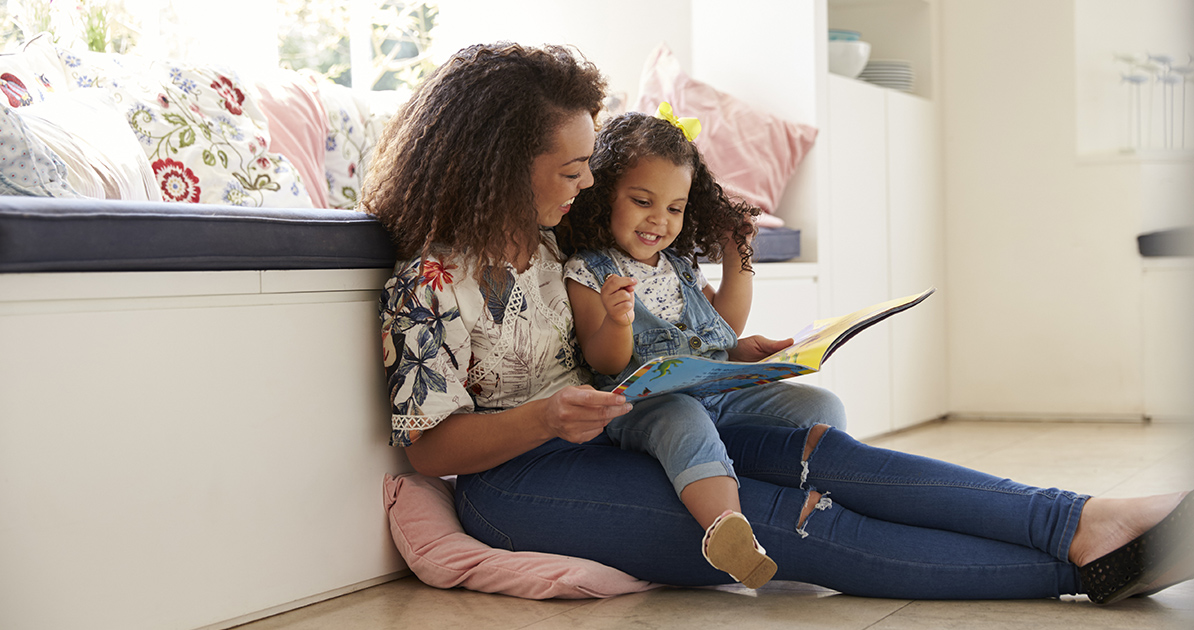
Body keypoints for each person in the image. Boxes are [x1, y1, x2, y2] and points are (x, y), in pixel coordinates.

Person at [361, 41, 1193, 605]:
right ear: (501, 167)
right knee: (794, 522)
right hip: (524, 484)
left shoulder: (556, 246)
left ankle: (1082, 520)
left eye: (588, 168)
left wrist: (726, 358)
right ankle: (1079, 569)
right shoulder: (426, 283)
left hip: (618, 427)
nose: (585, 185)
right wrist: (544, 415)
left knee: (831, 457)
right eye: (571, 169)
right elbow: (429, 445)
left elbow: (646, 296)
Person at [559, 104, 835, 589]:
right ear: (604, 196)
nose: (659, 221)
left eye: (674, 208)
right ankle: (727, 530)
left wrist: (739, 266)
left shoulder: (679, 265)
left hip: (718, 390)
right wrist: (619, 320)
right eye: (642, 201)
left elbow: (721, 327)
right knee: (683, 419)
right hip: (645, 405)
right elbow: (603, 361)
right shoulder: (589, 269)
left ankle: (804, 483)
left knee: (819, 404)